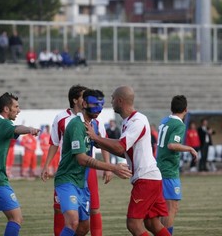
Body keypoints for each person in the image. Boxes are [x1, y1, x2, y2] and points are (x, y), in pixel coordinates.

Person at [42, 88, 131, 236]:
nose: (98, 109)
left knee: (84, 227)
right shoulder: (76, 124)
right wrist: (113, 167)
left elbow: (103, 143)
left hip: (82, 181)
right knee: (72, 221)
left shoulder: (94, 124)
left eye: (101, 105)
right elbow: (82, 159)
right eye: (94, 105)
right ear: (83, 103)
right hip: (67, 179)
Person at [86, 86, 171, 236]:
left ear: (120, 101)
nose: (111, 102)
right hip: (150, 178)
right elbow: (125, 150)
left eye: (112, 99)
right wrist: (99, 142)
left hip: (146, 178)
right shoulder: (128, 121)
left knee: (133, 223)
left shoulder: (137, 120)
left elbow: (120, 148)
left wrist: (96, 137)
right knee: (152, 223)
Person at [0, 92, 40, 236]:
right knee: (16, 218)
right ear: (6, 109)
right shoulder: (2, 123)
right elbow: (16, 128)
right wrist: (30, 129)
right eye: (16, 107)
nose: (18, 110)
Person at [156, 95, 198, 235]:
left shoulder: (165, 120)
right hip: (168, 170)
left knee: (166, 208)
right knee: (171, 207)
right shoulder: (179, 124)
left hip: (160, 167)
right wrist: (190, 148)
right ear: (185, 110)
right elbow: (172, 145)